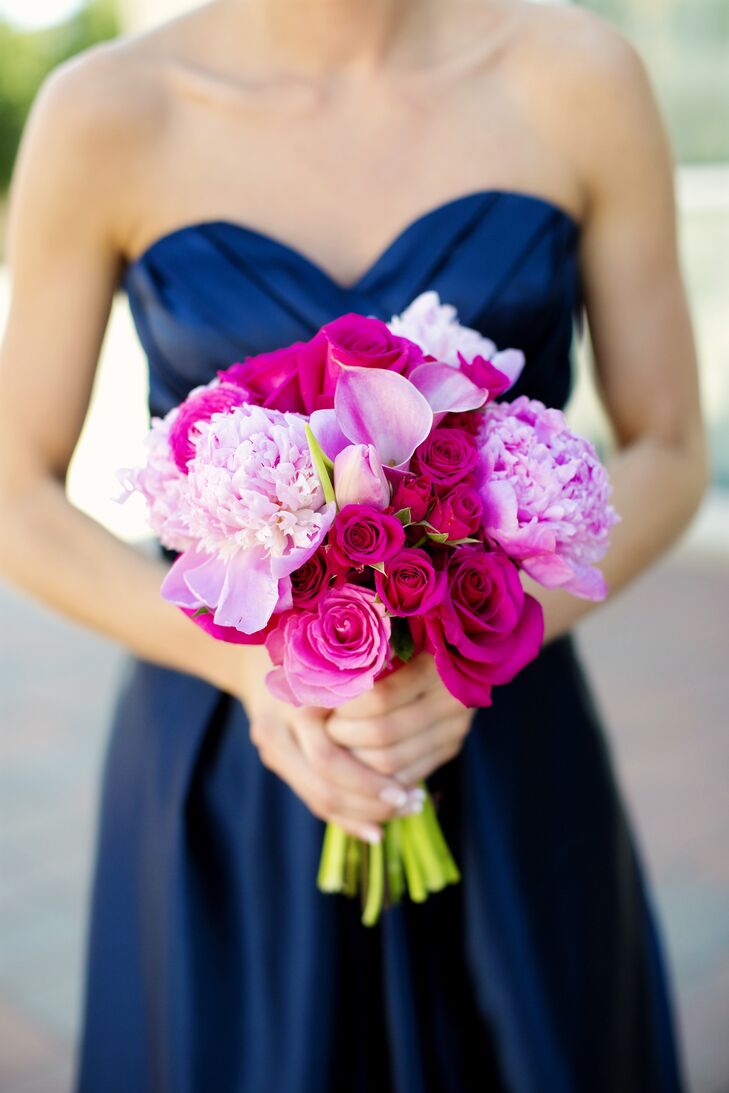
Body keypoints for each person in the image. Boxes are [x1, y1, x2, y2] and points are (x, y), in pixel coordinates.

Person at [0, 0, 709, 1089]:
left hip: (503, 731)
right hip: (231, 757)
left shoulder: (580, 78)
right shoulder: (106, 110)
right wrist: (248, 665)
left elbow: (667, 448)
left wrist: (485, 645)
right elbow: (15, 494)